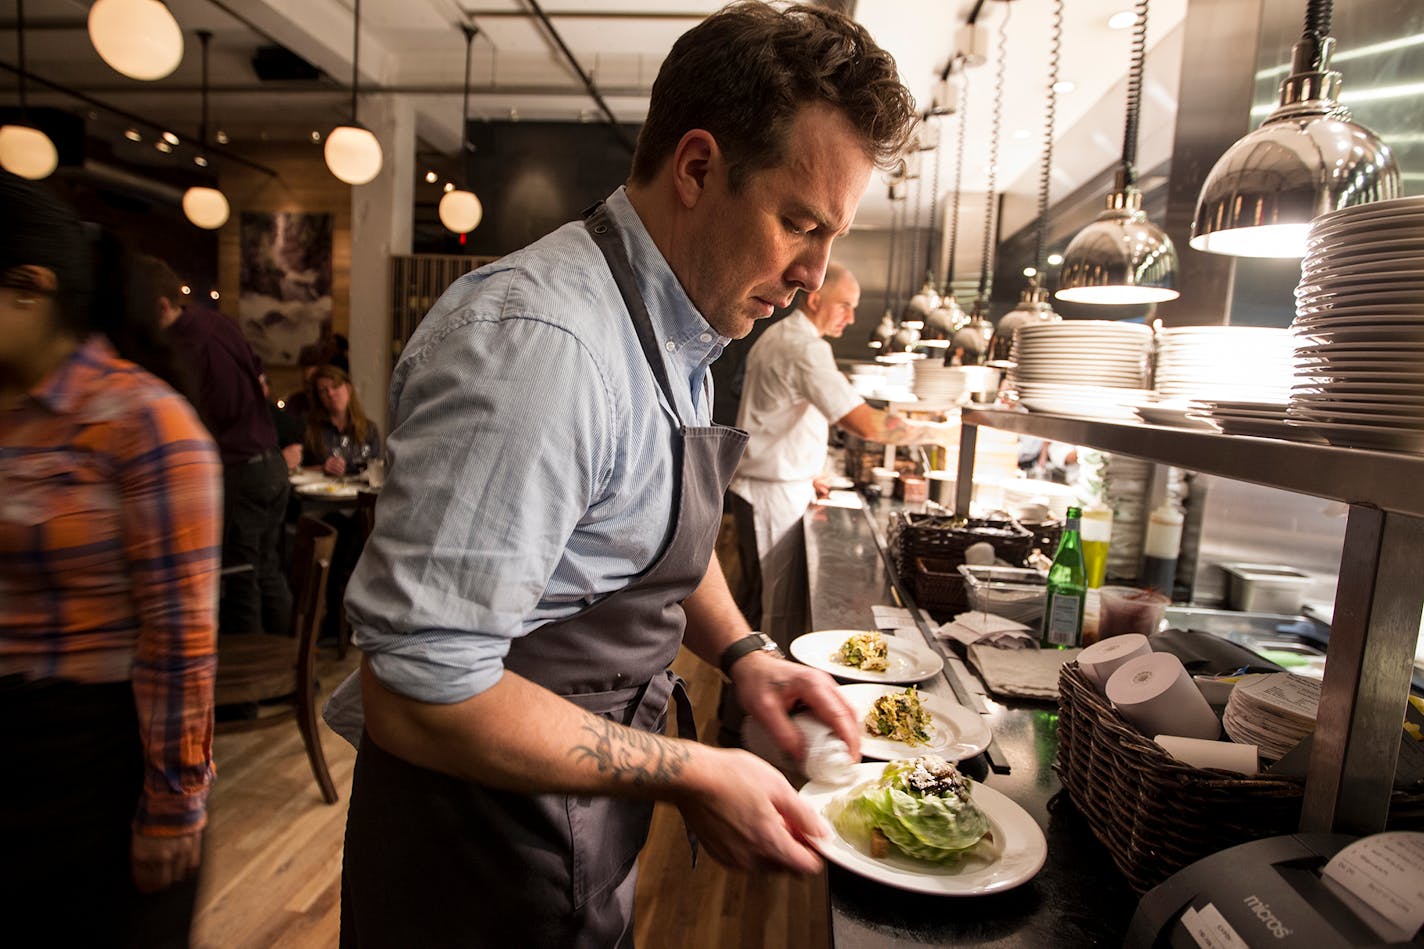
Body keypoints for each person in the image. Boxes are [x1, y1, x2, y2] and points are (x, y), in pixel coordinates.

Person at [330, 4, 917, 946]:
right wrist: (688, 769)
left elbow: (653, 529)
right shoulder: (542, 348)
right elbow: (417, 692)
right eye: (800, 223)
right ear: (696, 168)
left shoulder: (675, 324)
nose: (815, 273)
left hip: (570, 827)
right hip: (474, 863)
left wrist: (745, 653)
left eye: (831, 236)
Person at [0, 172, 221, 947]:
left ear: (29, 289)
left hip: (89, 756)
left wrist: (173, 801)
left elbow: (180, 637)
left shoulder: (143, 421)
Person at [729, 262, 951, 646]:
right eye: (844, 305)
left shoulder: (786, 336)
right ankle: (751, 701)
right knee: (770, 613)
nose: (850, 317)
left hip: (770, 486)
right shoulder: (804, 347)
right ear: (815, 299)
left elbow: (779, 417)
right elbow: (864, 424)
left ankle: (742, 698)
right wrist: (939, 431)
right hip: (770, 496)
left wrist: (807, 468)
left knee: (756, 605)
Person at [147, 256, 292, 637]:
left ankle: (252, 688)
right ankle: (294, 671)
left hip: (245, 469)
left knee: (244, 576)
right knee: (266, 569)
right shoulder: (217, 322)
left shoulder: (196, 342)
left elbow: (223, 413)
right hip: (269, 462)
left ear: (162, 306)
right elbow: (260, 381)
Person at [300, 364, 381, 476]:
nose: (331, 393)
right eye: (323, 391)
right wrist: (323, 468)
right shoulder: (308, 427)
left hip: (356, 491)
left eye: (335, 386)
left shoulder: (369, 428)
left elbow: (376, 469)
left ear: (348, 388)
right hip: (320, 490)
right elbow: (295, 470)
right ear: (318, 397)